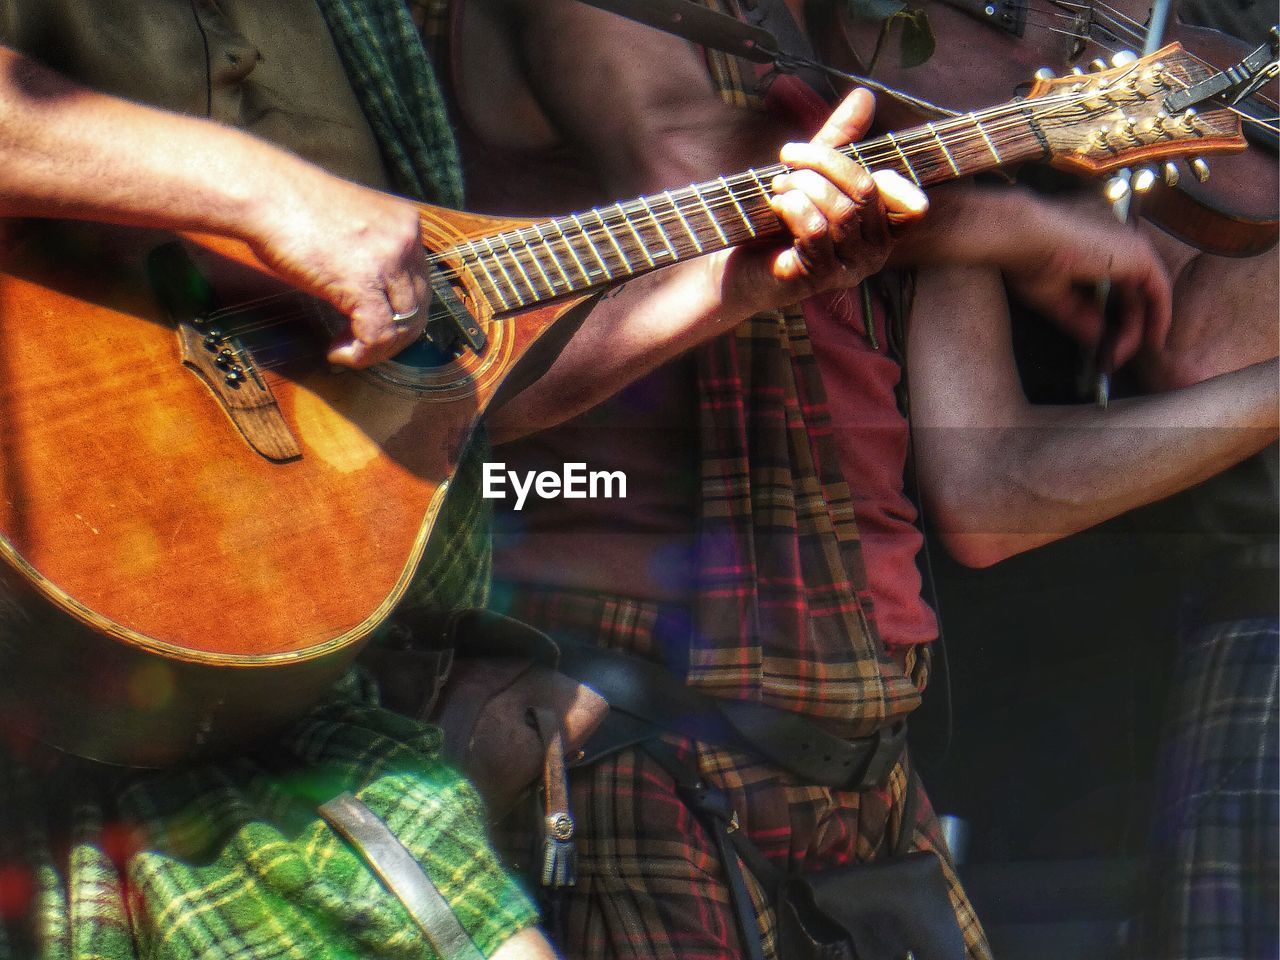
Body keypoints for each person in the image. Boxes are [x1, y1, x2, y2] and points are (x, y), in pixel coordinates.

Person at [0, 2, 918, 957]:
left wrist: (734, 283)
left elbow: (444, 392)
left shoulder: (359, 22)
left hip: (276, 691)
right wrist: (269, 193)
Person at [418, 0, 1279, 957]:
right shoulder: (634, 24)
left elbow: (994, 489)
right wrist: (1014, 222)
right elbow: (704, 182)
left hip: (861, 751)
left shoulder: (888, 81)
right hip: (627, 722)